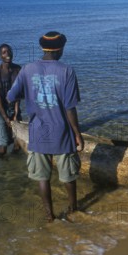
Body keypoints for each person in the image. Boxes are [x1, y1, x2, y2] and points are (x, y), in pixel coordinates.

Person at [7, 31, 84, 222]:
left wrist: (31, 95)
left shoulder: (27, 69)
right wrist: (77, 133)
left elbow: (11, 96)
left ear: (43, 48)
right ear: (61, 49)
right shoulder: (66, 71)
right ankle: (73, 211)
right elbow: (69, 108)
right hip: (62, 133)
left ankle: (50, 217)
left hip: (38, 133)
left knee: (43, 178)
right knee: (68, 176)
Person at [0, 43, 21, 158]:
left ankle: (13, 167)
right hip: (0, 109)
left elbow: (18, 94)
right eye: (4, 52)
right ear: (0, 56)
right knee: (3, 146)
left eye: (9, 51)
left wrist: (16, 114)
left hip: (14, 106)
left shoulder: (18, 69)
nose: (7, 54)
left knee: (18, 142)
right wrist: (6, 118)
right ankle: (3, 168)